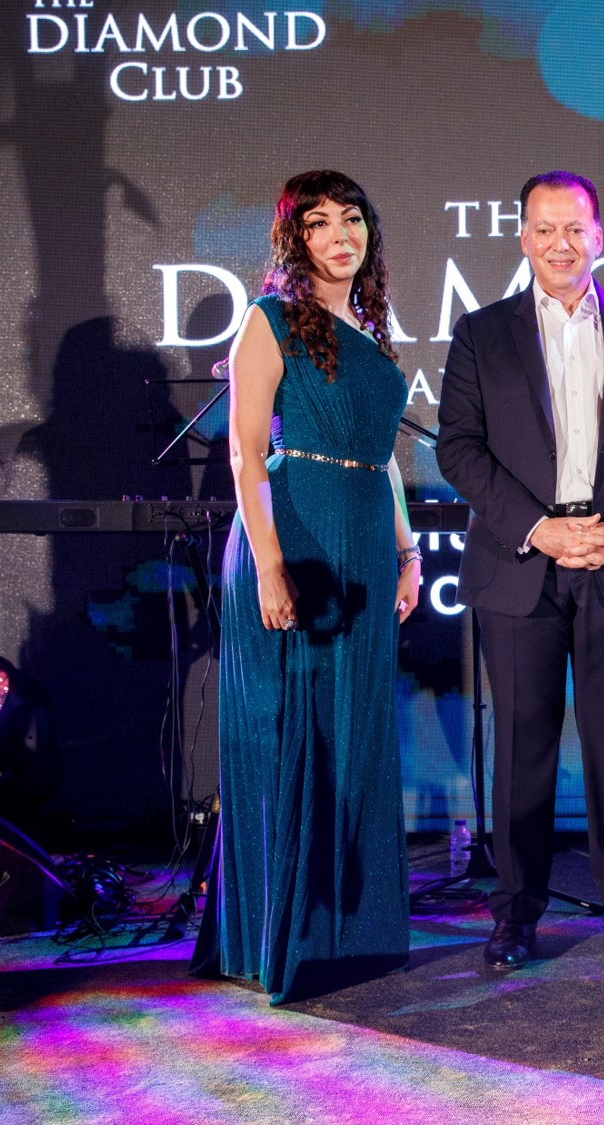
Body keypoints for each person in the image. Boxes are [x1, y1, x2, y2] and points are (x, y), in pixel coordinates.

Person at [436, 170, 604, 971]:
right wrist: (540, 528)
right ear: (522, 238)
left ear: (599, 236)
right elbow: (458, 447)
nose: (561, 244)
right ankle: (516, 912)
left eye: (575, 228)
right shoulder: (482, 334)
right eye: (545, 229)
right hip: (521, 560)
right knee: (523, 746)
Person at [192, 170, 419, 1005]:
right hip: (295, 532)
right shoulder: (270, 318)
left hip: (363, 537)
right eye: (320, 223)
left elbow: (381, 456)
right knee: (295, 731)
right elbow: (246, 451)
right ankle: (281, 936)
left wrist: (407, 550)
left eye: (352, 219)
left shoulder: (369, 330)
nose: (340, 235)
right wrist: (270, 563)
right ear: (296, 239)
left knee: (354, 729)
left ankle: (350, 933)